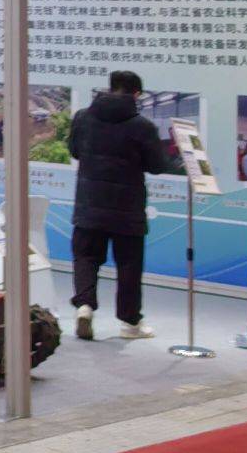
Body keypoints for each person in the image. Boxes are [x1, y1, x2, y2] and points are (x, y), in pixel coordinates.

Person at [69, 70, 177, 341]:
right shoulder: (142, 126)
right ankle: (130, 324)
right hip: (127, 208)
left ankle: (84, 307)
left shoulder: (82, 117)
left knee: (86, 257)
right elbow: (156, 165)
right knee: (128, 265)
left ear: (110, 87)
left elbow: (74, 151)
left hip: (89, 203)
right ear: (136, 94)